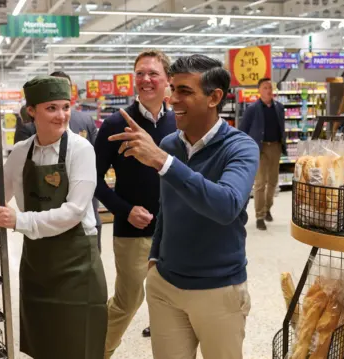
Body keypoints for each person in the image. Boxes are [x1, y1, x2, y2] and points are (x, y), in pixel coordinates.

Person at [109, 54, 259, 359]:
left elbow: (226, 205)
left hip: (218, 289)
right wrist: (154, 261)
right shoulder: (170, 145)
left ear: (214, 97)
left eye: (185, 92)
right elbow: (167, 208)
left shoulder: (240, 147)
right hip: (166, 286)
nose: (173, 99)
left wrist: (165, 164)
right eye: (173, 89)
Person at [0, 76, 107, 359]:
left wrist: (20, 221)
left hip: (76, 264)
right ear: (31, 111)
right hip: (38, 263)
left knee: (78, 341)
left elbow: (74, 211)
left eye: (65, 107)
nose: (62, 115)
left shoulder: (82, 150)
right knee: (44, 341)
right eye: (52, 108)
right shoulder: (21, 153)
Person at [95, 50, 176, 358]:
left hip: (174, 232)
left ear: (167, 80)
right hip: (132, 232)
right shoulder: (116, 123)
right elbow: (94, 178)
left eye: (153, 73)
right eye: (140, 73)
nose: (146, 79)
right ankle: (97, 350)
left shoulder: (179, 122)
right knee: (127, 301)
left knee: (171, 301)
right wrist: (125, 210)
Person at [50, 70, 103, 247]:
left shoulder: (85, 120)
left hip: (86, 203)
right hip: (53, 206)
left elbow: (98, 159)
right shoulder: (39, 125)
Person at [239, 77, 286, 231]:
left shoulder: (279, 107)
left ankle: (267, 209)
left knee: (273, 182)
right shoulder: (252, 109)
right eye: (265, 87)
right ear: (259, 91)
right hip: (260, 148)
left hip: (276, 147)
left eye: (270, 87)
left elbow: (282, 128)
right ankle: (259, 216)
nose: (269, 90)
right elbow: (243, 130)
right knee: (260, 183)